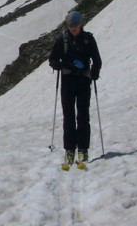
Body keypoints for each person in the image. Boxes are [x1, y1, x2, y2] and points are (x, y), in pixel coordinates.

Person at [49, 10, 102, 167]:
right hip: (68, 81)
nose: (73, 28)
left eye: (75, 25)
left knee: (83, 115)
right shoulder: (62, 40)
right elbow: (52, 58)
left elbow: (97, 59)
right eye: (71, 25)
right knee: (69, 116)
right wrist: (56, 64)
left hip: (83, 81)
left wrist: (94, 72)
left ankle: (83, 149)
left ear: (81, 24)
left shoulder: (88, 39)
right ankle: (70, 150)